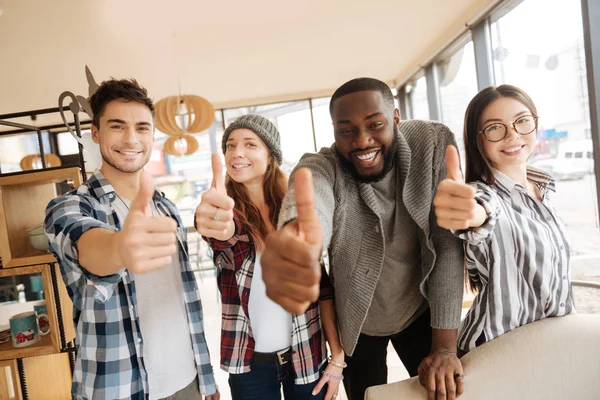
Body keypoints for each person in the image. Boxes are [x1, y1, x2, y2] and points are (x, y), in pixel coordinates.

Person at [260, 78, 466, 400]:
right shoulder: (325, 166)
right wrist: (299, 237)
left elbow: (447, 246)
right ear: (334, 132)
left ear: (395, 118)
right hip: (359, 323)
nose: (362, 140)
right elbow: (313, 194)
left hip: (421, 309)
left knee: (445, 391)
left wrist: (444, 348)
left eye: (375, 124)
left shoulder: (432, 143)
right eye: (346, 130)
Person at [44, 78, 219, 400]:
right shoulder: (70, 206)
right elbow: (89, 246)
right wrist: (119, 248)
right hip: (118, 387)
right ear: (95, 133)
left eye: (142, 128)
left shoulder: (165, 206)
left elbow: (183, 302)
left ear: (152, 134)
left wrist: (206, 382)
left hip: (186, 382)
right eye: (117, 126)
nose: (131, 139)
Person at [195, 114, 344, 400]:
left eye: (250, 144)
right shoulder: (227, 213)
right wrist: (218, 225)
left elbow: (321, 289)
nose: (237, 152)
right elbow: (224, 238)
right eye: (230, 145)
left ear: (270, 155)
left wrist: (336, 356)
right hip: (250, 365)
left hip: (306, 353)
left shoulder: (292, 213)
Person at [433, 85, 574, 355]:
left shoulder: (543, 189)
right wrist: (469, 213)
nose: (512, 135)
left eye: (522, 121)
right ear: (478, 140)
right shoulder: (482, 195)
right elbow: (482, 212)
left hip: (549, 346)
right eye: (495, 127)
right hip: (497, 352)